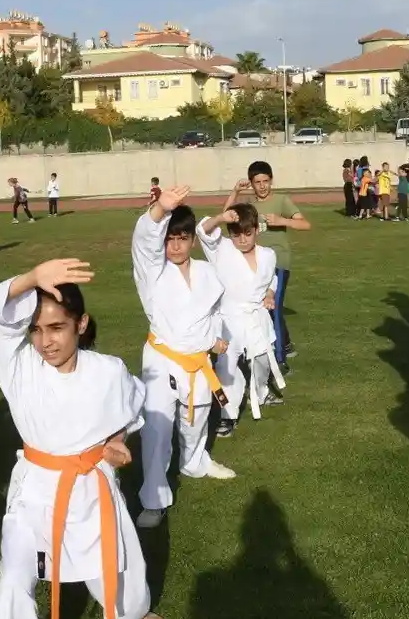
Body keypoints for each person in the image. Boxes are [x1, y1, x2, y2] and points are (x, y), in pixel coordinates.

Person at [0, 258, 164, 619]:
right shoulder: (18, 367)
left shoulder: (108, 371)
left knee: (121, 584)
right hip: (34, 495)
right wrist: (32, 279)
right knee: (12, 587)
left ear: (80, 324)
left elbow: (132, 405)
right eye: (36, 329)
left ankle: (131, 612)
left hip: (91, 491)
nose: (45, 341)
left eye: (56, 327)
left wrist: (116, 441)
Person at [132, 185, 237, 530]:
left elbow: (215, 313)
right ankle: (153, 499)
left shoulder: (208, 273)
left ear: (192, 239)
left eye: (182, 238)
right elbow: (145, 240)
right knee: (158, 427)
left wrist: (216, 340)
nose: (174, 246)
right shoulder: (153, 270)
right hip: (162, 358)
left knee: (197, 420)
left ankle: (194, 462)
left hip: (198, 360)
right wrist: (160, 209)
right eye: (169, 238)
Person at [199, 204, 284, 435]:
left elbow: (270, 281)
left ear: (257, 230)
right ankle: (228, 414)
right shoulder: (222, 250)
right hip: (228, 319)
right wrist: (219, 217)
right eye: (236, 235)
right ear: (230, 234)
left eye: (248, 233)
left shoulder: (268, 255)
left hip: (256, 318)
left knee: (262, 361)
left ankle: (262, 390)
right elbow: (203, 230)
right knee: (226, 369)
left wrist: (269, 294)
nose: (242, 240)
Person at [242, 161, 310, 367]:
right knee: (263, 307)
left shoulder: (282, 201)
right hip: (256, 264)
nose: (262, 186)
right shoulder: (249, 205)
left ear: (271, 180)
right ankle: (286, 344)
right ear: (251, 184)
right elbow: (230, 220)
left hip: (279, 261)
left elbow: (305, 224)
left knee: (274, 308)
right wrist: (234, 193)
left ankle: (280, 361)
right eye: (257, 182)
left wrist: (283, 221)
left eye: (266, 181)